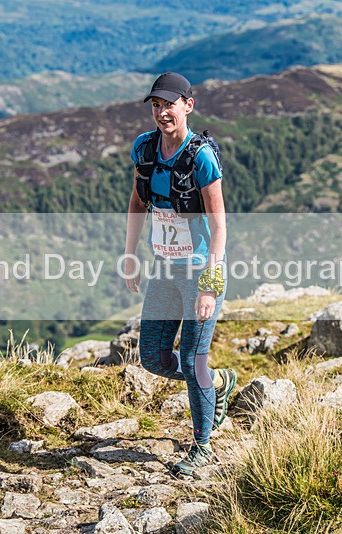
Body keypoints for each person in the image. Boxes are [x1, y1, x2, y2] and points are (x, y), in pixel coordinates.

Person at [123, 72, 237, 477]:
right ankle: (218, 381)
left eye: (169, 104)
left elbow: (220, 225)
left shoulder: (201, 156)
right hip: (164, 269)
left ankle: (202, 447)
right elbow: (138, 203)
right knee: (152, 357)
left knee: (192, 360)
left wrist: (210, 284)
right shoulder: (145, 148)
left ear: (188, 105)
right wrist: (129, 253)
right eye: (155, 105)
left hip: (200, 272)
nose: (161, 112)